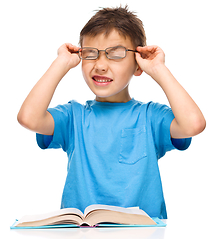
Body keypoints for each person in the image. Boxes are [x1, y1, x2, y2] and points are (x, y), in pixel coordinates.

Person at [17, 6, 206, 219]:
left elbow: (194, 124)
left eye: (115, 54)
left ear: (138, 64)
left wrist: (158, 69)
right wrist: (61, 63)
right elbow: (28, 118)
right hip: (83, 234)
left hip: (143, 234)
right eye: (90, 54)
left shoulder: (150, 116)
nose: (100, 65)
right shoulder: (73, 116)